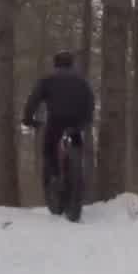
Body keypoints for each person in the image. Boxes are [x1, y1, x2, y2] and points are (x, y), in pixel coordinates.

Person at [22, 50, 96, 220]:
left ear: (55, 64)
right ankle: (78, 177)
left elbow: (33, 100)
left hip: (56, 120)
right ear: (72, 64)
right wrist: (86, 121)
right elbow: (90, 102)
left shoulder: (48, 80)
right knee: (77, 146)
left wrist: (28, 119)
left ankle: (54, 177)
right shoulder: (82, 81)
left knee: (49, 150)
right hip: (78, 121)